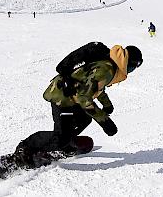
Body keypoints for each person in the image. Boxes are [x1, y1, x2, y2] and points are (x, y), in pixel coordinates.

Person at [15, 42, 143, 167]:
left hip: (71, 96)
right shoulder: (107, 69)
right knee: (61, 137)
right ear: (126, 62)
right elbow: (84, 97)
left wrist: (107, 104)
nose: (130, 71)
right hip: (62, 97)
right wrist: (105, 122)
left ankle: (66, 142)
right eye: (131, 68)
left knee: (84, 119)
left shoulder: (110, 65)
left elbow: (96, 88)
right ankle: (26, 147)